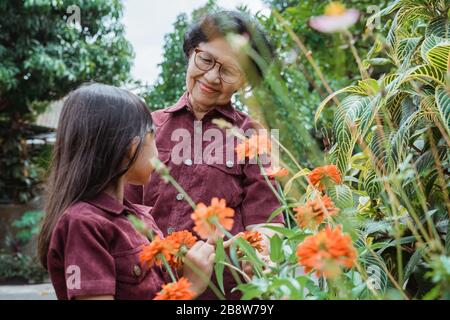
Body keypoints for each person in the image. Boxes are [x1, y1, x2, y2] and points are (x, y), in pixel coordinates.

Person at [125, 11, 284, 299]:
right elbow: (122, 208)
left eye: (229, 70)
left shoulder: (253, 137)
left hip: (221, 293)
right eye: (206, 59)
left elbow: (267, 220)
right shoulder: (147, 124)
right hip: (148, 288)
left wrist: (259, 256)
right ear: (190, 53)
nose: (211, 76)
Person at [37, 83, 216, 300]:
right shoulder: (83, 225)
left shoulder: (137, 218)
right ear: (131, 148)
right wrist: (189, 289)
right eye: (153, 138)